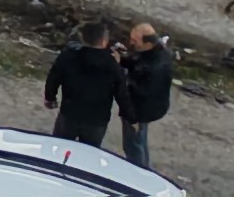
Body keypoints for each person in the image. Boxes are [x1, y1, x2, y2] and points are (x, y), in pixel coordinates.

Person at [44, 19, 122, 144]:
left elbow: (54, 77)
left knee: (60, 146)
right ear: (103, 41)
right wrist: (129, 115)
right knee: (88, 155)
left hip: (69, 113)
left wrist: (50, 97)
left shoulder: (68, 56)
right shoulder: (111, 65)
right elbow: (121, 91)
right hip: (96, 120)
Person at [115, 22, 173, 170]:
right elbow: (135, 62)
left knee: (133, 145)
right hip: (145, 107)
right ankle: (144, 167)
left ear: (147, 43)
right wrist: (122, 60)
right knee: (139, 141)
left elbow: (139, 91)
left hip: (140, 111)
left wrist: (120, 75)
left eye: (135, 41)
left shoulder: (156, 68)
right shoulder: (151, 52)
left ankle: (139, 173)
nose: (131, 43)